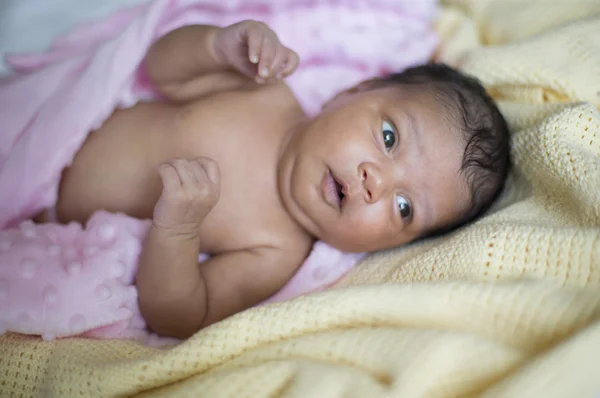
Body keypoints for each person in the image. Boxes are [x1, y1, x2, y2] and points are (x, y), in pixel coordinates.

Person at [39, 20, 510, 339]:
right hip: (54, 115)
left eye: (404, 208)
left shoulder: (275, 251)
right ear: (352, 93)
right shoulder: (265, 89)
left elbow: (179, 315)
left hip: (40, 205)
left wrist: (178, 230)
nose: (376, 183)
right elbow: (163, 70)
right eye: (389, 137)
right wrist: (216, 47)